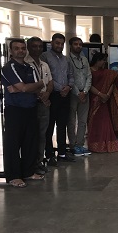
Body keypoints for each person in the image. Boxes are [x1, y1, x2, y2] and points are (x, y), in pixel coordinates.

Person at [1, 39, 45, 187]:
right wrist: (27, 87)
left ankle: (28, 171)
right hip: (15, 109)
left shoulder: (29, 67)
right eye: (17, 48)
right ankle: (14, 176)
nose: (20, 51)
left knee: (30, 141)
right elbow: (26, 87)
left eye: (22, 48)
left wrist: (23, 87)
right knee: (13, 142)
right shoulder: (9, 67)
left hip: (31, 107)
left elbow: (40, 86)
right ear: (11, 51)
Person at [41, 33, 75, 164]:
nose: (59, 46)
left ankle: (62, 153)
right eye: (57, 43)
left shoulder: (66, 59)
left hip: (65, 95)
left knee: (62, 125)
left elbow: (70, 75)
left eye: (62, 44)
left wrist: (68, 86)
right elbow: (46, 77)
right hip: (52, 95)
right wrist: (61, 88)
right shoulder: (45, 57)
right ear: (52, 43)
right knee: (50, 126)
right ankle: (49, 155)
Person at [87, 53, 118, 152]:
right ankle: (95, 145)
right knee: (95, 122)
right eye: (103, 60)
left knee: (105, 121)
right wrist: (100, 94)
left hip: (105, 100)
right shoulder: (89, 70)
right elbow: (89, 85)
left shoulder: (107, 72)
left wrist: (107, 95)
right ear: (97, 60)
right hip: (94, 99)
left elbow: (112, 84)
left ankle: (107, 144)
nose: (104, 62)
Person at [25, 37, 53, 175]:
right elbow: (25, 85)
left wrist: (47, 93)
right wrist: (40, 96)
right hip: (30, 104)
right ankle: (30, 163)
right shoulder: (25, 64)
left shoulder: (44, 65)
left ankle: (39, 161)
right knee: (31, 134)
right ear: (28, 47)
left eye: (40, 46)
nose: (37, 49)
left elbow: (50, 82)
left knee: (42, 134)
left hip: (44, 104)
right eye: (34, 46)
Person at [67, 37, 92, 157]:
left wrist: (85, 91)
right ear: (70, 46)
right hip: (72, 94)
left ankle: (80, 144)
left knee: (83, 121)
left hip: (85, 94)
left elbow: (89, 76)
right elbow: (69, 78)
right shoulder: (67, 60)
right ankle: (72, 145)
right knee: (71, 121)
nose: (78, 46)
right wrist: (78, 93)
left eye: (80, 44)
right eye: (75, 44)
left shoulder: (84, 59)